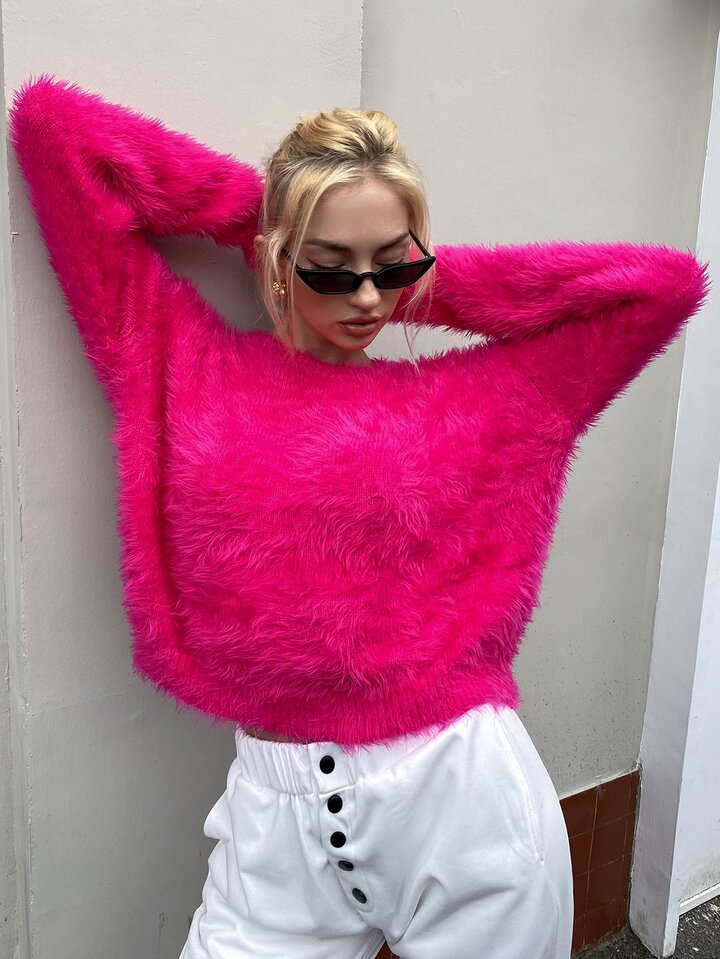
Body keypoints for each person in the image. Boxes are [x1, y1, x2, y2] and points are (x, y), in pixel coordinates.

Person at [8, 75, 710, 959]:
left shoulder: (491, 399)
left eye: (393, 266)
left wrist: (431, 284)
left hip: (463, 805)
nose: (369, 299)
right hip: (273, 823)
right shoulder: (182, 366)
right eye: (332, 267)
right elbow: (57, 133)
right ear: (275, 257)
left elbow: (661, 289)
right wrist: (266, 217)